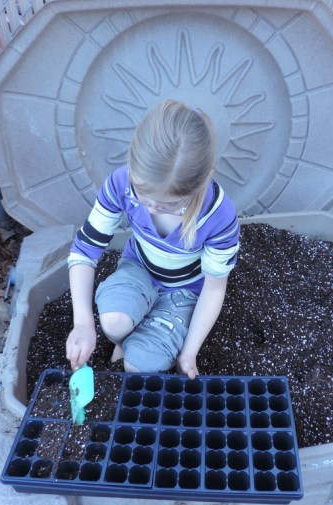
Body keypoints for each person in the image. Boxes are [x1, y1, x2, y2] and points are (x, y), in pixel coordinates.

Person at [66, 100, 240, 379]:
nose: (149, 209)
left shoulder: (218, 215)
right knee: (112, 323)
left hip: (184, 291)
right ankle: (126, 338)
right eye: (141, 196)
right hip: (139, 268)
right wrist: (83, 324)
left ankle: (149, 336)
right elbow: (84, 252)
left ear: (200, 184)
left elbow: (214, 288)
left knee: (140, 367)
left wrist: (189, 353)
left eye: (169, 205)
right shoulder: (120, 183)